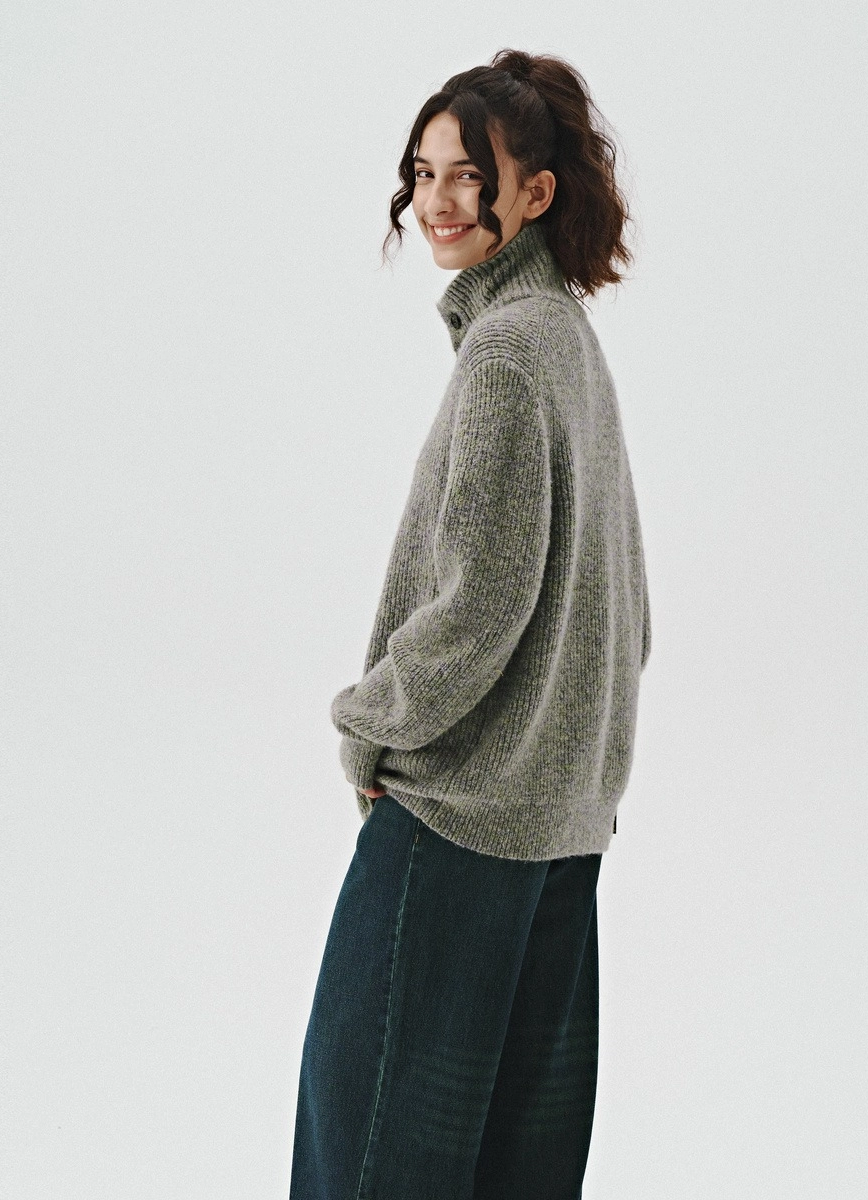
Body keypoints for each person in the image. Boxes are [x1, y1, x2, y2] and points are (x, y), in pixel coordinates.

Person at [289, 48, 651, 1200]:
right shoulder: (565, 340)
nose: (438, 200)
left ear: (534, 193)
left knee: (364, 1166)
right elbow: (630, 611)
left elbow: (479, 607)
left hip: (457, 829)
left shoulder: (506, 355)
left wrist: (370, 728)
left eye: (468, 176)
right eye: (423, 172)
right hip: (558, 833)